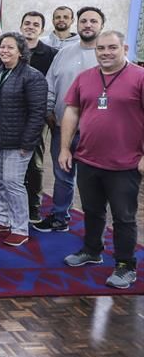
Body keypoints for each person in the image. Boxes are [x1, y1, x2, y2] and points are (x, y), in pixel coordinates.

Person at [59, 31, 144, 289]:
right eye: (100, 48)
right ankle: (92, 250)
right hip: (88, 158)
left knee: (123, 217)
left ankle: (125, 265)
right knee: (92, 211)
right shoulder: (85, 78)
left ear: (124, 48)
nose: (105, 53)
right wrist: (64, 148)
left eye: (111, 48)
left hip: (125, 163)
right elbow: (72, 111)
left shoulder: (139, 77)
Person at [36, 7, 105, 233]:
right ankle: (60, 216)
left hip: (95, 132)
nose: (87, 25)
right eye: (84, 21)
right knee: (62, 174)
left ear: (101, 25)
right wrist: (48, 113)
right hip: (62, 127)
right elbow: (49, 85)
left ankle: (95, 227)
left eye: (93, 21)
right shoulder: (64, 53)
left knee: (93, 180)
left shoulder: (107, 55)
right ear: (78, 24)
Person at [0, 32, 47, 247]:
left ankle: (19, 227)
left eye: (10, 47)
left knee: (13, 183)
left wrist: (28, 143)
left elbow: (38, 113)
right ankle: (2, 218)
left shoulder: (32, 76)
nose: (5, 51)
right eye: (2, 47)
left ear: (21, 51)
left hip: (17, 141)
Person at [18, 12, 57, 223]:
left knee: (34, 163)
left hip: (36, 115)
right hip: (12, 115)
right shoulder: (12, 48)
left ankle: (33, 206)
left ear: (42, 29)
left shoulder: (51, 53)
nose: (31, 27)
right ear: (21, 26)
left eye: (35, 24)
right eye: (27, 23)